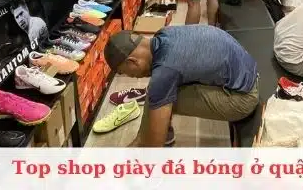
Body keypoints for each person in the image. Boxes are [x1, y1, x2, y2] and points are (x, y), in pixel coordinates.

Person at [104, 25, 259, 147]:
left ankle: (143, 143)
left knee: (157, 95)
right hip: (247, 76)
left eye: (127, 73)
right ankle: (155, 136)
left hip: (242, 99)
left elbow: (154, 147)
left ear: (132, 61)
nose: (133, 77)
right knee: (161, 90)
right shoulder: (164, 34)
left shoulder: (165, 69)